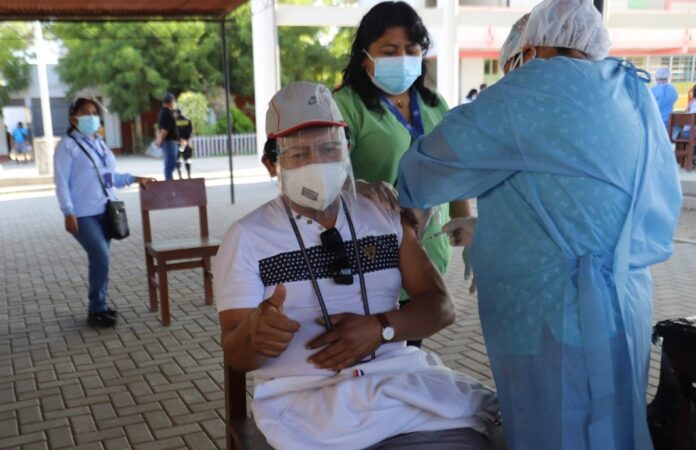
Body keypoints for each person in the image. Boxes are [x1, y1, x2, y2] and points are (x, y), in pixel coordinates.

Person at [396, 0, 682, 448]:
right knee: (613, 430)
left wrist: (407, 200)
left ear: (529, 51)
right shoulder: (629, 89)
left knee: (556, 429)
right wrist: (493, 232)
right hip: (625, 303)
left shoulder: (532, 90)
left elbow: (427, 168)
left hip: (555, 314)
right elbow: (606, 202)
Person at [215, 82, 500, 450]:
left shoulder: (383, 214)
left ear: (347, 150)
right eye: (299, 154)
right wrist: (255, 335)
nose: (318, 163)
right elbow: (238, 355)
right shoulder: (246, 238)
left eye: (330, 148)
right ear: (272, 164)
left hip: (399, 388)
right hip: (304, 403)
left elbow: (441, 307)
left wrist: (381, 328)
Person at [332, 1, 471, 347]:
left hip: (429, 252)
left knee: (412, 348)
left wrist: (465, 222)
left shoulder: (434, 104)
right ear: (365, 56)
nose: (403, 58)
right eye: (389, 51)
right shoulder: (346, 105)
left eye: (411, 49)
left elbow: (454, 166)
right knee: (375, 348)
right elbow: (329, 175)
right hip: (372, 252)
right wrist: (358, 186)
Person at [54, 98, 155, 328]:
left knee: (101, 260)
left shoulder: (99, 143)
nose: (92, 117)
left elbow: (110, 177)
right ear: (73, 118)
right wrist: (68, 212)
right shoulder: (67, 146)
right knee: (101, 255)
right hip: (82, 214)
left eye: (94, 112)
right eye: (86, 113)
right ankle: (96, 308)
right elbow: (61, 182)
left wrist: (135, 178)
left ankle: (100, 306)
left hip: (106, 210)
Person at [155, 93, 179, 180]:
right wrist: (159, 141)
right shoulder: (166, 113)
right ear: (170, 102)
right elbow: (164, 130)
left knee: (171, 165)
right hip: (169, 143)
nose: (174, 103)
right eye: (174, 101)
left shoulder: (167, 113)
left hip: (171, 142)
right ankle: (169, 183)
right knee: (169, 165)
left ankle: (170, 181)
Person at [174, 108, 194, 179]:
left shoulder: (174, 121)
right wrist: (185, 140)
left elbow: (174, 133)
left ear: (176, 113)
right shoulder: (188, 120)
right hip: (186, 143)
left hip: (177, 143)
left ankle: (180, 176)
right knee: (187, 159)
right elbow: (190, 132)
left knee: (177, 160)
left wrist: (179, 140)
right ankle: (189, 175)